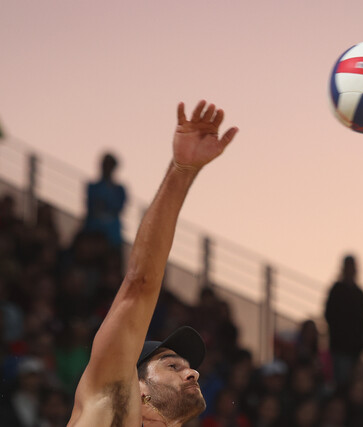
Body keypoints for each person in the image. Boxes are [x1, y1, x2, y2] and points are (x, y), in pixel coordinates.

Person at [67, 100, 239, 426]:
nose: (193, 372)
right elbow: (139, 285)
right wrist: (183, 170)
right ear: (139, 389)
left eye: (182, 365)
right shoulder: (110, 404)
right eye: (172, 366)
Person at [324, 254, 363, 387]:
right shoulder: (337, 290)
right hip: (339, 347)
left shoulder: (359, 294)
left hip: (354, 349)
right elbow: (329, 314)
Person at [83, 152, 127, 248]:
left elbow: (118, 208)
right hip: (92, 231)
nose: (107, 169)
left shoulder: (120, 190)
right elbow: (90, 207)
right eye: (105, 165)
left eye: (109, 166)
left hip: (112, 235)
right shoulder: (93, 187)